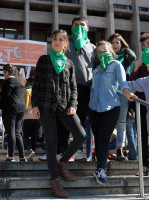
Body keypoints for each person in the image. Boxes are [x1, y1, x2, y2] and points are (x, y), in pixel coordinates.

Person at [31, 30, 86, 198]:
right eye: (55, 39)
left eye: (61, 39)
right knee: (52, 143)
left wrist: (73, 105)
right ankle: (55, 181)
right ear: (52, 42)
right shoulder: (44, 60)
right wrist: (34, 105)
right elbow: (36, 84)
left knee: (81, 135)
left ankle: (62, 163)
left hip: (65, 107)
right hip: (46, 107)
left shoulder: (69, 63)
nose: (57, 42)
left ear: (65, 43)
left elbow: (73, 88)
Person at [88, 40, 136, 185]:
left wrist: (127, 92)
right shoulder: (95, 69)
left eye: (104, 50)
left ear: (111, 52)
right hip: (93, 108)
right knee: (98, 137)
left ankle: (101, 169)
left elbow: (122, 82)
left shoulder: (116, 65)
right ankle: (100, 161)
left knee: (103, 137)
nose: (102, 53)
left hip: (111, 107)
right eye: (99, 52)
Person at [65, 16, 96, 160]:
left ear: (87, 29)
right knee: (65, 120)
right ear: (71, 28)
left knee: (81, 121)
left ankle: (78, 150)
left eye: (82, 25)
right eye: (76, 25)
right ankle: (62, 150)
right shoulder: (65, 43)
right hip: (67, 88)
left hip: (85, 88)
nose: (79, 27)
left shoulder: (93, 47)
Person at [108, 33, 136, 161]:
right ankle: (104, 149)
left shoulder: (125, 58)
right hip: (108, 91)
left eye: (117, 42)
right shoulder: (106, 57)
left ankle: (119, 150)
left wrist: (124, 48)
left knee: (122, 122)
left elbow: (133, 56)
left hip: (123, 92)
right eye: (112, 42)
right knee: (107, 121)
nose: (114, 45)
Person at [129, 33, 149, 176]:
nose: (145, 48)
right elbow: (130, 84)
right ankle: (144, 166)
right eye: (143, 46)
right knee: (142, 135)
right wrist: (135, 70)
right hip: (141, 104)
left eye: (148, 44)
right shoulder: (139, 63)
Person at [1, 64, 26, 162]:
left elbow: (4, 96)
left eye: (4, 72)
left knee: (11, 131)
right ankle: (22, 156)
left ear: (7, 72)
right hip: (21, 108)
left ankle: (10, 157)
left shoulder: (9, 81)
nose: (4, 75)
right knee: (16, 132)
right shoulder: (19, 80)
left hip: (11, 108)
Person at [128, 75, 149, 176]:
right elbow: (131, 84)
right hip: (146, 114)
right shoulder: (147, 80)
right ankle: (145, 166)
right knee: (144, 139)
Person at [23, 77, 42, 161]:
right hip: (38, 116)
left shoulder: (27, 91)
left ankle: (30, 150)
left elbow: (26, 105)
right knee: (34, 135)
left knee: (25, 135)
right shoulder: (40, 92)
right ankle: (33, 152)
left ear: (29, 83)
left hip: (28, 115)